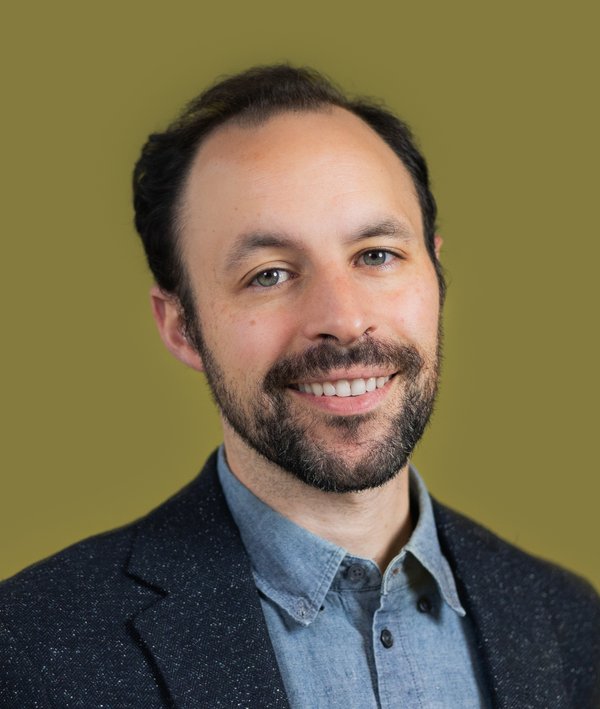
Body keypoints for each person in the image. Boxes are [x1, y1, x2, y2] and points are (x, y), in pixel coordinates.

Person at [0, 65, 598, 709]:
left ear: (435, 273)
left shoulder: (571, 623)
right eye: (270, 274)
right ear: (182, 327)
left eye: (376, 255)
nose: (341, 320)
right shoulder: (28, 649)